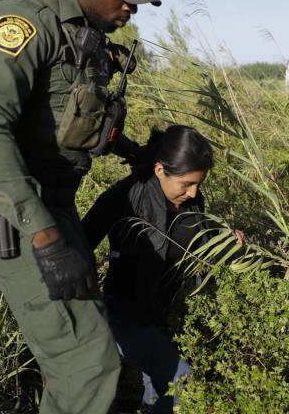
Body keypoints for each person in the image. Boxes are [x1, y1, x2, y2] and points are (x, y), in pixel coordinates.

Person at [0, 0, 161, 413]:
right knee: (89, 361)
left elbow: (68, 121)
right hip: (15, 212)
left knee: (77, 353)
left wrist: (131, 151)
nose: (130, 8)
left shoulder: (83, 35)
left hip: (52, 209)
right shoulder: (25, 19)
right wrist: (45, 238)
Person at [82, 125, 238, 413]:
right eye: (186, 184)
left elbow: (197, 250)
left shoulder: (193, 201)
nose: (193, 192)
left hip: (159, 314)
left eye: (198, 184)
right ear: (159, 170)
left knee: (158, 389)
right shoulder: (125, 196)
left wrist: (226, 243)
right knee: (179, 380)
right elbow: (79, 246)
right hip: (122, 314)